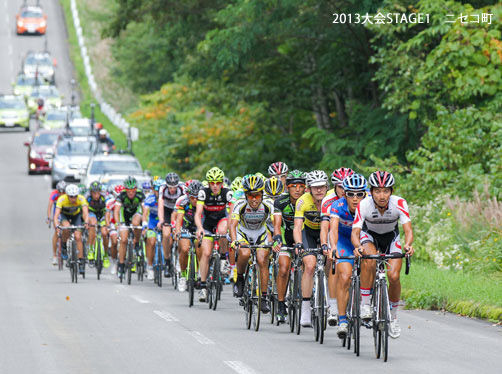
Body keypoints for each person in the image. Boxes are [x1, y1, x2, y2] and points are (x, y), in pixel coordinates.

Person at [352, 171, 414, 339]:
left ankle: (393, 317)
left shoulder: (399, 203)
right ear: (371, 192)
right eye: (377, 191)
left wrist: (408, 245)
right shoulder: (364, 204)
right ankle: (365, 304)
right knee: (370, 261)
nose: (381, 195)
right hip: (369, 237)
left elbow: (408, 231)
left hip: (391, 237)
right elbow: (355, 231)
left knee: (394, 276)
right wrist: (358, 247)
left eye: (385, 191)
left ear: (391, 192)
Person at [328, 173, 367, 338]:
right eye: (351, 193)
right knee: (344, 276)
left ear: (366, 194)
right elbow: (333, 230)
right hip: (344, 241)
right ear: (345, 194)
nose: (355, 198)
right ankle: (342, 319)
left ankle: (368, 303)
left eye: (360, 194)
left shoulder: (369, 205)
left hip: (364, 239)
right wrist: (334, 247)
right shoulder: (337, 205)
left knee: (371, 267)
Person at [230, 175, 274, 314]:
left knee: (262, 260)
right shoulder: (240, 204)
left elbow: (276, 222)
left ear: (262, 194)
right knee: (244, 253)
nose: (254, 199)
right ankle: (240, 279)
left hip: (260, 233)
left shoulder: (268, 204)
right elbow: (233, 225)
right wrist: (234, 241)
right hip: (243, 233)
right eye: (250, 196)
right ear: (245, 195)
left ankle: (264, 297)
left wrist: (277, 238)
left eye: (257, 195)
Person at [293, 170, 329, 327]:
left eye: (321, 187)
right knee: (309, 265)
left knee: (332, 264)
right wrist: (299, 243)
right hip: (309, 233)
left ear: (327, 187)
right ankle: (306, 309)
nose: (319, 190)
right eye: (315, 187)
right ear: (309, 188)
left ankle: (331, 299)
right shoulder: (302, 201)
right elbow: (297, 226)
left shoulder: (332, 200)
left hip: (326, 233)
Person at [320, 167, 354, 326]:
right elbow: (326, 227)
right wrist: (326, 245)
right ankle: (333, 306)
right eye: (340, 186)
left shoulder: (361, 196)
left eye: (345, 186)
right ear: (334, 187)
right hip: (337, 234)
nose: (343, 190)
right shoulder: (328, 201)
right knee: (333, 262)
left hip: (357, 234)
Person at [272, 170, 306, 323]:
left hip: (304, 236)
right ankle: (280, 303)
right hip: (286, 236)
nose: (297, 189)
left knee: (308, 266)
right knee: (284, 268)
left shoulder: (309, 201)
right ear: (287, 187)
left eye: (300, 186)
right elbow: (277, 225)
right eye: (293, 186)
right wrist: (277, 238)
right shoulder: (280, 201)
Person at [195, 167, 232, 302]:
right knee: (205, 253)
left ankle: (223, 258)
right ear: (208, 183)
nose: (215, 186)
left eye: (218, 183)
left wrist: (231, 230)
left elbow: (232, 215)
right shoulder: (203, 193)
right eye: (212, 183)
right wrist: (199, 228)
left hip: (222, 220)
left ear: (222, 183)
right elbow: (198, 214)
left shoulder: (227, 193)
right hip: (207, 223)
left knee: (222, 232)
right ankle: (203, 286)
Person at [114, 176, 146, 277]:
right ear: (125, 189)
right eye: (129, 190)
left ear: (136, 189)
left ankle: (136, 241)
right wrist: (117, 223)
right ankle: (121, 264)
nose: (131, 193)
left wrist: (145, 223)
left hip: (136, 214)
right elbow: (117, 211)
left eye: (133, 190)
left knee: (136, 222)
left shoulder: (140, 194)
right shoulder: (121, 195)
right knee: (123, 240)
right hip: (125, 217)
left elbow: (145, 209)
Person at [174, 180, 203, 292]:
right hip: (187, 226)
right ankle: (182, 275)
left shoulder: (204, 203)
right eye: (192, 198)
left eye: (197, 197)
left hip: (199, 227)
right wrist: (177, 231)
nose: (195, 200)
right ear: (188, 196)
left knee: (199, 246)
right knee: (185, 249)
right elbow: (179, 218)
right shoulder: (183, 202)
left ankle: (200, 272)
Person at [54, 184, 89, 274]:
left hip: (76, 216)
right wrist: (57, 226)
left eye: (75, 196)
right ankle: (64, 246)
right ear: (67, 195)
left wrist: (86, 222)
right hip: (64, 215)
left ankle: (81, 261)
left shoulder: (81, 199)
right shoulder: (62, 199)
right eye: (71, 197)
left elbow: (85, 213)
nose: (73, 199)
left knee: (78, 237)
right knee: (66, 227)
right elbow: (56, 215)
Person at [158, 172, 184, 277]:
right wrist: (161, 220)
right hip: (167, 210)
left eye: (174, 187)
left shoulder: (182, 188)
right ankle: (167, 260)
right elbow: (160, 206)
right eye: (170, 187)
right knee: (166, 234)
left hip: (179, 211)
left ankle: (179, 258)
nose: (172, 189)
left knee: (180, 234)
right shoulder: (163, 188)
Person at [143, 179, 163, 279]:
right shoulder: (149, 199)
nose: (158, 192)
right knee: (151, 242)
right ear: (152, 189)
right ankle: (150, 267)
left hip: (163, 221)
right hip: (152, 222)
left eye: (160, 189)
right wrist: (144, 225)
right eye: (156, 189)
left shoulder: (166, 198)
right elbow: (145, 213)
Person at [86, 181, 110, 268]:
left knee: (104, 233)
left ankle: (106, 255)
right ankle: (91, 249)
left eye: (98, 193)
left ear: (100, 192)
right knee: (93, 224)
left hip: (103, 215)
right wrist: (86, 221)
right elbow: (84, 211)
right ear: (91, 192)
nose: (96, 195)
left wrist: (107, 225)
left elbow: (108, 211)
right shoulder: (87, 197)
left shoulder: (105, 197)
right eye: (94, 193)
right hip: (92, 214)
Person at [47, 181, 66, 265]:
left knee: (67, 230)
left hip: (66, 212)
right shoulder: (54, 194)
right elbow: (50, 206)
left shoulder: (68, 194)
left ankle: (66, 247)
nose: (61, 194)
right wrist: (48, 217)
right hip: (57, 213)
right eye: (60, 192)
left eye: (63, 192)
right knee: (57, 232)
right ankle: (54, 255)